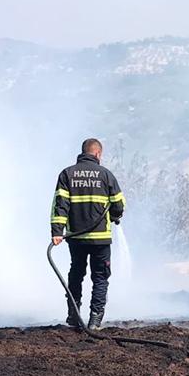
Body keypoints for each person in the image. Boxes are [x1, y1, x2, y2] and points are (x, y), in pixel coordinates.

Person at [51, 138, 125, 330]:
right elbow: (118, 203)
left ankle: (73, 316)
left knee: (76, 274)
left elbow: (60, 205)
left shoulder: (67, 174)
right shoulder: (106, 175)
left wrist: (57, 232)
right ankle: (94, 321)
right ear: (98, 154)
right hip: (100, 238)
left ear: (83, 152)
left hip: (75, 237)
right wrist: (116, 216)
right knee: (100, 277)